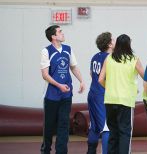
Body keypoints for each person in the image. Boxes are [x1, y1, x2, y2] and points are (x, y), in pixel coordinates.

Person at [40, 25, 85, 154]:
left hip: (66, 95)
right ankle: (46, 150)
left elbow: (74, 67)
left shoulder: (68, 49)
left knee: (64, 125)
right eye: (60, 32)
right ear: (53, 36)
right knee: (49, 126)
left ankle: (61, 151)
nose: (63, 33)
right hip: (51, 95)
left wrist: (81, 81)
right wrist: (59, 85)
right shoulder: (46, 51)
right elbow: (45, 75)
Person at [98, 34, 144, 154]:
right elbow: (146, 76)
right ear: (129, 45)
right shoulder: (133, 59)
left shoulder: (109, 58)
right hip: (125, 101)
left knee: (113, 132)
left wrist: (110, 88)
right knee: (124, 133)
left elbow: (100, 80)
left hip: (109, 100)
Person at [87, 32, 114, 154]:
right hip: (102, 95)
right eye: (113, 39)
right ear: (109, 44)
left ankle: (91, 151)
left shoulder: (95, 56)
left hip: (92, 93)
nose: (115, 41)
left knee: (94, 126)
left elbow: (91, 74)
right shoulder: (110, 58)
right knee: (106, 128)